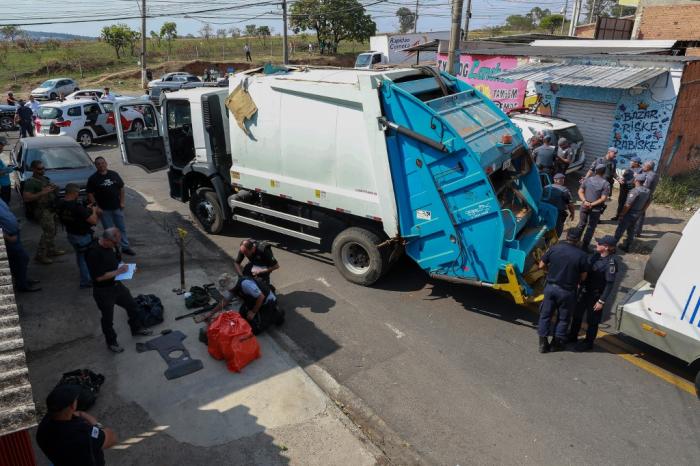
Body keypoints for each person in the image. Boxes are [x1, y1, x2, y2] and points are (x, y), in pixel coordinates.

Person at [85, 228, 153, 353]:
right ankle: (111, 342)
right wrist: (118, 272)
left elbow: (117, 260)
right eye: (114, 243)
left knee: (132, 306)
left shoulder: (112, 246)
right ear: (106, 240)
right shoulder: (93, 253)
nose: (116, 246)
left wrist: (125, 266)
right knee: (107, 319)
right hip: (103, 291)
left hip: (117, 286)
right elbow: (99, 278)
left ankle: (136, 328)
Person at [36, 384, 117, 466]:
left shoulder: (42, 430)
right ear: (72, 406)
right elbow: (111, 438)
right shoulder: (83, 434)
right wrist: (96, 424)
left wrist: (78, 414)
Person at [537, 227, 589, 353]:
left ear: (567, 237)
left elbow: (541, 265)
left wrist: (549, 272)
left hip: (551, 288)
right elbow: (583, 276)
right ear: (578, 240)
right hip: (567, 291)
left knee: (545, 315)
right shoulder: (582, 255)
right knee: (563, 318)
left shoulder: (555, 248)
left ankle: (543, 344)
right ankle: (556, 343)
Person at [568, 235, 619, 352]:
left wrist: (602, 301)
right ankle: (572, 336)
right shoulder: (595, 256)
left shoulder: (611, 263)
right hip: (584, 291)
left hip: (595, 296)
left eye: (599, 244)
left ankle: (588, 342)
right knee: (577, 315)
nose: (596, 245)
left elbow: (609, 284)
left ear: (606, 247)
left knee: (592, 321)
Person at [87, 157, 135, 255]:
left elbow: (121, 188)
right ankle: (113, 250)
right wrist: (96, 207)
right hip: (104, 210)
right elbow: (90, 194)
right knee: (109, 232)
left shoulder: (114, 174)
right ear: (96, 165)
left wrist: (122, 202)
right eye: (98, 164)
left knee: (121, 228)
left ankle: (125, 247)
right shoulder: (93, 178)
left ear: (106, 163)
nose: (101, 165)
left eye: (102, 163)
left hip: (117, 207)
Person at [57, 183, 100, 288]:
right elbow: (94, 221)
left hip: (71, 234)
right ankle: (86, 280)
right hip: (82, 236)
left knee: (80, 256)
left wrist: (85, 209)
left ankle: (86, 278)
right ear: (75, 193)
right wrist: (94, 211)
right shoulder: (77, 208)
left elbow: (74, 214)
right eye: (78, 193)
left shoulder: (61, 204)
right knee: (86, 259)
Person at [22, 160, 65, 264]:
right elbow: (26, 198)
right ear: (33, 169)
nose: (42, 171)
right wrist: (42, 193)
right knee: (48, 232)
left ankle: (51, 250)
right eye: (39, 169)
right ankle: (40, 255)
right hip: (42, 210)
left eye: (43, 168)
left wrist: (55, 188)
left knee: (53, 230)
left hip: (51, 208)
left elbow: (52, 190)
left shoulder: (45, 179)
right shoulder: (30, 182)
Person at [216, 272, 285, 334]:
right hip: (253, 300)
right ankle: (260, 312)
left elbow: (261, 297)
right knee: (241, 316)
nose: (228, 290)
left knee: (256, 329)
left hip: (267, 302)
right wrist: (210, 313)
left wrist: (253, 312)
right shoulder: (234, 289)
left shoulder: (245, 284)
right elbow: (225, 301)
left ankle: (277, 314)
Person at [0, 199, 40, 292]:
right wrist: (8, 237)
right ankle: (22, 284)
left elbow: (6, 213)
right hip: (9, 237)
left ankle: (22, 281)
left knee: (15, 260)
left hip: (14, 233)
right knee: (23, 258)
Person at [577, 163, 611, 251]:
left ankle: (574, 241)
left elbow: (580, 191)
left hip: (584, 206)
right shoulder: (606, 184)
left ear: (595, 171)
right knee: (591, 228)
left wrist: (585, 201)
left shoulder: (587, 180)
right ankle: (584, 247)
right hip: (595, 209)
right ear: (604, 172)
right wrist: (592, 204)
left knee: (581, 224)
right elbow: (603, 198)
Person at [614, 173, 650, 252]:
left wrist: (622, 214)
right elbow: (648, 202)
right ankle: (628, 246)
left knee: (620, 230)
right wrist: (642, 211)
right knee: (631, 230)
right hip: (637, 213)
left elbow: (628, 204)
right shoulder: (647, 191)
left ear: (636, 180)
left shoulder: (635, 191)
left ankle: (612, 246)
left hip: (629, 214)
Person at [543, 172, 575, 237]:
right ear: (555, 180)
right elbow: (570, 204)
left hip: (546, 212)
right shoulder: (565, 190)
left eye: (563, 179)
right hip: (558, 214)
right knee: (557, 230)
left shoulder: (546, 187)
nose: (562, 180)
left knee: (546, 227)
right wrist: (572, 213)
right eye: (561, 179)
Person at [611, 156, 642, 221]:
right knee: (621, 202)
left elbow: (641, 180)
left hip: (632, 188)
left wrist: (637, 177)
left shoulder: (640, 170)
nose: (630, 162)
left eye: (632, 161)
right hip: (624, 187)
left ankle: (624, 217)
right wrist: (621, 179)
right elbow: (624, 176)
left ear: (636, 163)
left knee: (629, 203)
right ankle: (618, 215)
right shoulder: (629, 168)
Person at [634, 160, 659, 238]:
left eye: (644, 165)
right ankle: (636, 230)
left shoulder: (651, 175)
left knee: (640, 213)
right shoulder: (653, 174)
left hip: (644, 196)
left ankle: (636, 231)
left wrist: (637, 180)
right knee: (640, 212)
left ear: (648, 167)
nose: (643, 167)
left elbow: (645, 187)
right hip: (647, 195)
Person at [0, 136, 14, 204]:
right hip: (2, 187)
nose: (3, 148)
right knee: (4, 205)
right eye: (3, 146)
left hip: (5, 186)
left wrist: (7, 168)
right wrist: (9, 169)